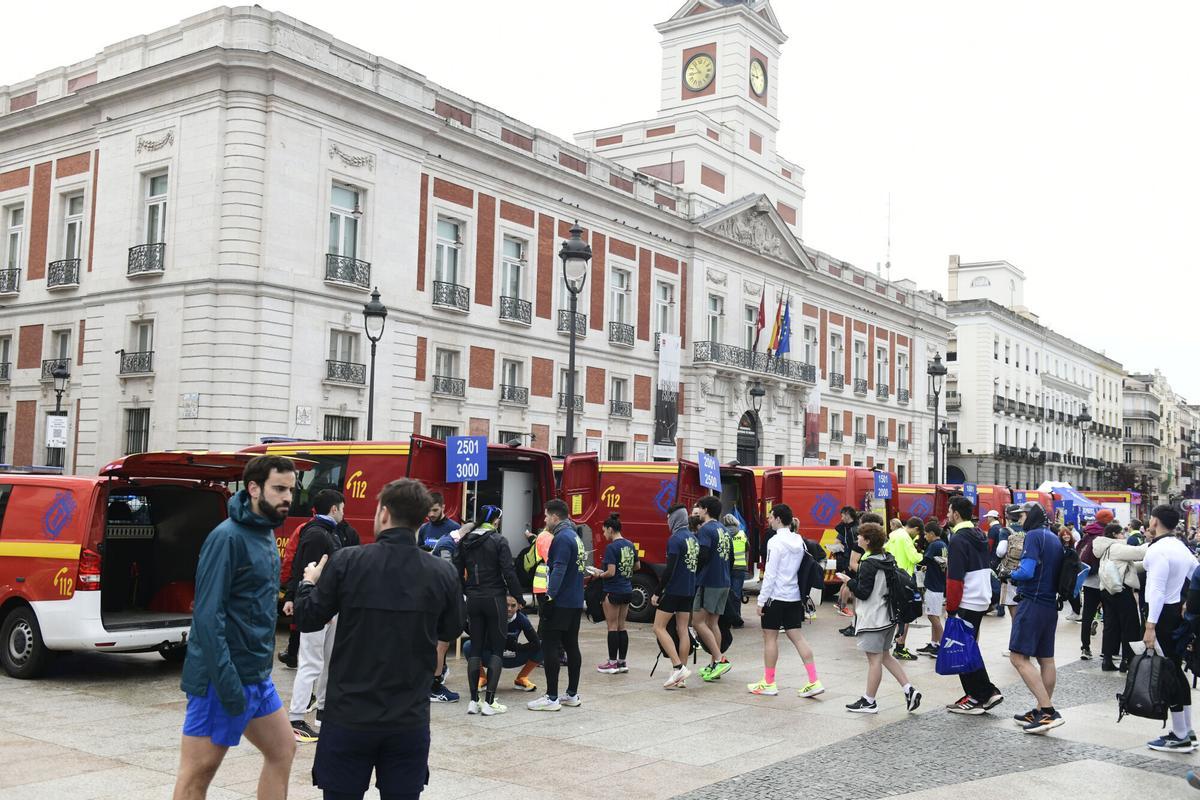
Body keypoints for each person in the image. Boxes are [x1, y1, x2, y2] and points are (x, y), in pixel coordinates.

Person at [295, 477, 462, 800]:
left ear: (384, 513)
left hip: (349, 716)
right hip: (408, 718)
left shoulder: (348, 561)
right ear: (421, 518)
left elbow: (307, 617)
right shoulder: (442, 572)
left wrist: (308, 583)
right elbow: (451, 629)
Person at [174, 456, 298, 800]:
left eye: (290, 489)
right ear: (254, 488)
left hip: (256, 677)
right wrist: (228, 684)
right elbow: (207, 616)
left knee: (283, 749)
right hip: (221, 679)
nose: (287, 496)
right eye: (279, 488)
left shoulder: (263, 534)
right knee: (196, 776)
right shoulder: (227, 538)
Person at [283, 489, 349, 742]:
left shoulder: (325, 532)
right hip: (317, 608)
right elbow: (306, 570)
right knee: (311, 663)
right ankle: (296, 718)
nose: (344, 513)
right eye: (342, 508)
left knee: (327, 661)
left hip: (325, 607)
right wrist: (299, 598)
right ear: (334, 509)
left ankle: (324, 710)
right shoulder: (316, 534)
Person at [837, 522, 922, 714]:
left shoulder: (868, 563)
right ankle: (909, 689)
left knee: (874, 660)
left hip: (873, 618)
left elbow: (864, 593)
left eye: (860, 536)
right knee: (885, 656)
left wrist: (848, 581)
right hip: (888, 616)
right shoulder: (887, 558)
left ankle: (869, 701)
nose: (857, 538)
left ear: (867, 541)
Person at [452, 505, 525, 716]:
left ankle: (473, 700)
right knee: (496, 649)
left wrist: (466, 591)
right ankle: (489, 701)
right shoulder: (499, 540)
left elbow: (456, 571)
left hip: (473, 599)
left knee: (475, 648)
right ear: (495, 520)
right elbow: (508, 572)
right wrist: (519, 597)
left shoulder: (466, 540)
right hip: (494, 599)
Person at [748, 504, 824, 698]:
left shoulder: (774, 542)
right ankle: (814, 680)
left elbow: (771, 574)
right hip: (793, 596)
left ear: (779, 519)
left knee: (770, 638)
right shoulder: (798, 540)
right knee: (797, 637)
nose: (769, 520)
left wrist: (761, 601)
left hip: (776, 596)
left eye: (771, 517)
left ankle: (769, 682)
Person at [1001, 501, 1065, 733]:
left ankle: (1047, 711)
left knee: (1018, 658)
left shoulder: (1034, 536)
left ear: (1032, 516)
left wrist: (1010, 574)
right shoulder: (1053, 537)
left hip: (1033, 602)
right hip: (1049, 604)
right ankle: (1040, 709)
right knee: (1046, 658)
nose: (1019, 520)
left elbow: (1027, 571)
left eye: (1022, 516)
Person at [1140, 505, 1197, 753]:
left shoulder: (1159, 551)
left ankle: (1180, 735)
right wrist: (1188, 601)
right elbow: (1197, 572)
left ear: (1155, 521)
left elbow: (1156, 591)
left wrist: (1150, 626)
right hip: (1176, 614)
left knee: (1168, 673)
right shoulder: (1181, 547)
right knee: (1176, 672)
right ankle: (1187, 730)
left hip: (1162, 615)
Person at [943, 495, 1004, 715]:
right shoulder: (978, 533)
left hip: (966, 600)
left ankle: (981, 694)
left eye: (949, 512)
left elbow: (955, 578)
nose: (947, 515)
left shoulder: (959, 538)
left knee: (961, 650)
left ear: (956, 514)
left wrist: (951, 609)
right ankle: (982, 692)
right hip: (980, 597)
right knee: (968, 648)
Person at [527, 499, 585, 711]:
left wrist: (549, 598)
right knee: (571, 646)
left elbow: (558, 569)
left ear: (554, 517)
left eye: (545, 516)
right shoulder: (575, 536)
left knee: (550, 645)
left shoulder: (561, 538)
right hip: (576, 601)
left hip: (560, 601)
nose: (544, 520)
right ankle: (572, 694)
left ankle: (551, 697)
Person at [652, 505, 699, 690]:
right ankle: (682, 675)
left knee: (659, 627)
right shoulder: (693, 538)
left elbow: (669, 569)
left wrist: (657, 591)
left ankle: (677, 666)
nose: (667, 521)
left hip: (674, 590)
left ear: (674, 518)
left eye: (668, 517)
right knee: (682, 629)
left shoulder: (675, 539)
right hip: (689, 589)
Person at [1091, 522, 1146, 672]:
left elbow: (1129, 566)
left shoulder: (1105, 548)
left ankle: (1107, 660)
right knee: (1130, 625)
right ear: (1115, 534)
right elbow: (1140, 552)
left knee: (1111, 626)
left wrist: (1145, 565)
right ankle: (1127, 660)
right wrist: (1157, 543)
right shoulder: (1116, 547)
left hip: (1107, 590)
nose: (1124, 535)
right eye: (1122, 533)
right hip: (1120, 591)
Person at [424, 493, 462, 705]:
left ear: (444, 507)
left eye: (435, 511)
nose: (430, 515)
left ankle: (437, 675)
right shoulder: (424, 529)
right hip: (427, 590)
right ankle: (433, 682)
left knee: (443, 640)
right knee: (436, 641)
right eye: (428, 511)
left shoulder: (454, 528)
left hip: (447, 589)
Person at [692, 496, 733, 681]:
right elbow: (730, 558)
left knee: (698, 622)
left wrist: (693, 573)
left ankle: (719, 659)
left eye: (698, 508)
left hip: (709, 581)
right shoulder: (723, 529)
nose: (697, 511)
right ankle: (714, 665)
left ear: (706, 509)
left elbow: (703, 556)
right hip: (724, 580)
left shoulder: (706, 530)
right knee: (712, 623)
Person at [464, 596, 542, 693]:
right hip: (492, 657)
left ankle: (522, 678)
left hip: (512, 657)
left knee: (544, 645)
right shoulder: (491, 617)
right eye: (506, 605)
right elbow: (477, 638)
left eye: (513, 606)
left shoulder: (522, 619)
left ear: (518, 606)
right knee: (468, 646)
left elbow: (536, 643)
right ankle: (482, 678)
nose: (509, 609)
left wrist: (517, 647)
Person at [596, 513, 639, 674]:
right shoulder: (630, 544)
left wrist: (600, 574)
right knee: (622, 626)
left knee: (612, 626)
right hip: (627, 590)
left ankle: (612, 663)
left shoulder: (611, 547)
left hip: (613, 590)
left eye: (605, 531)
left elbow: (611, 572)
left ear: (610, 529)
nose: (604, 535)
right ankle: (622, 662)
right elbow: (637, 566)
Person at [884, 515, 921, 661]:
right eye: (917, 533)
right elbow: (914, 558)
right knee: (906, 615)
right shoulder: (905, 538)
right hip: (904, 579)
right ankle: (900, 647)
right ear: (915, 529)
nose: (917, 536)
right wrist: (921, 554)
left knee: (896, 613)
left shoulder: (894, 536)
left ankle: (893, 644)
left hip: (894, 576)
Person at [1076, 509, 1111, 659]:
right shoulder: (1107, 535)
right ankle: (1106, 650)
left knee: (1087, 615)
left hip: (1089, 581)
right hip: (1105, 581)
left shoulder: (1087, 534)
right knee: (1109, 617)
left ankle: (1085, 648)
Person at [916, 521, 948, 657]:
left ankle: (942, 646)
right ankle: (934, 644)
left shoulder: (934, 545)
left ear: (931, 534)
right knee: (934, 615)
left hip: (933, 586)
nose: (925, 537)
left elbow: (923, 560)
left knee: (933, 616)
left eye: (926, 534)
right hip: (939, 584)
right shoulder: (943, 545)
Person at [833, 506, 861, 619]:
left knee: (845, 582)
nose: (841, 517)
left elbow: (837, 542)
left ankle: (840, 604)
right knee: (849, 584)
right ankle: (843, 607)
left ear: (847, 514)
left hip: (847, 559)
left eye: (842, 515)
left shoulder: (848, 528)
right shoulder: (851, 528)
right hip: (851, 560)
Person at [726, 513, 749, 627]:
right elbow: (747, 547)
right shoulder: (741, 533)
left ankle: (728, 619)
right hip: (740, 567)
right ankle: (737, 619)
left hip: (727, 567)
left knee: (727, 593)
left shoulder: (724, 533)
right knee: (737, 594)